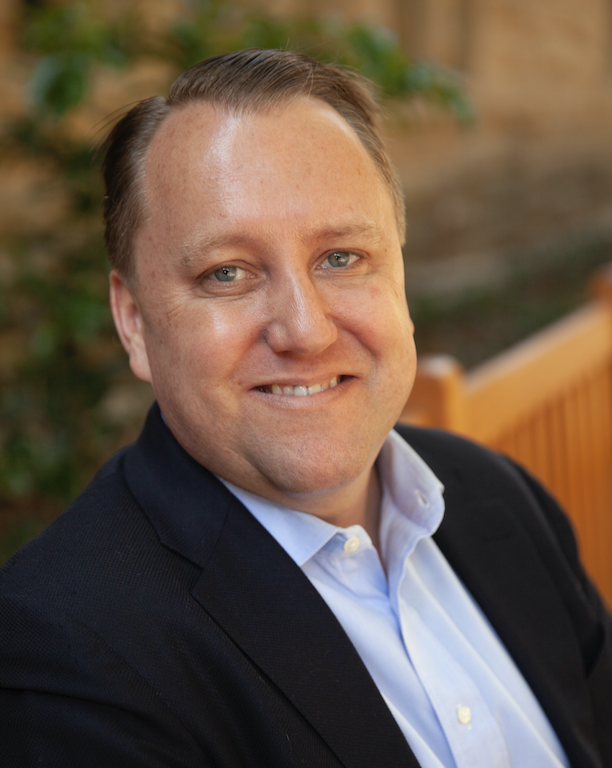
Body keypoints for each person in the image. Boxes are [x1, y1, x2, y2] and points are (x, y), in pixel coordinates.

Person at [0, 48, 610, 768]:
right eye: (227, 272)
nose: (306, 330)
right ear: (133, 321)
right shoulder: (67, 654)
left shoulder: (497, 495)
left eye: (341, 258)